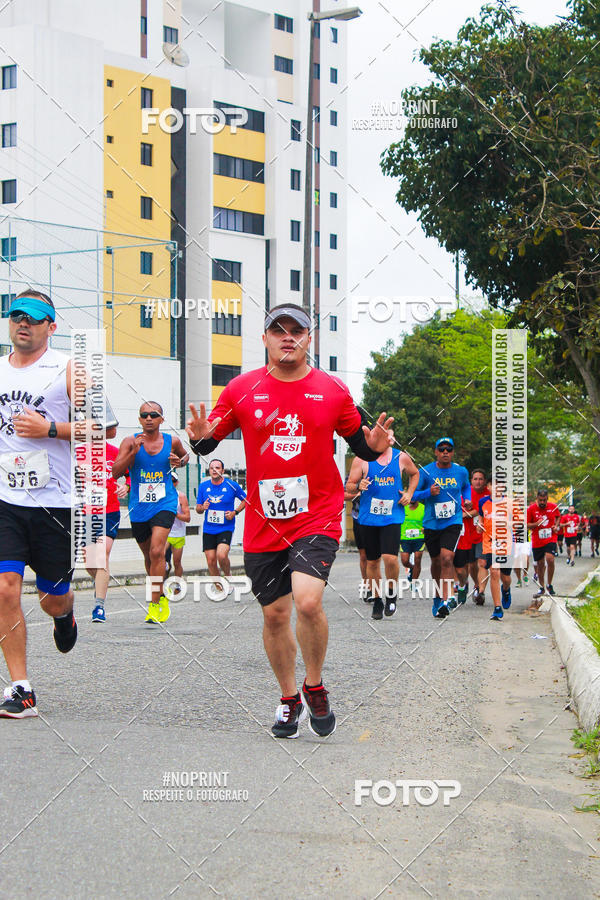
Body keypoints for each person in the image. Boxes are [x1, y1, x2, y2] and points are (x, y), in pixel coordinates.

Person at [186, 302, 394, 739]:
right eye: (277, 330)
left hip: (315, 515)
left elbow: (362, 441)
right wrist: (201, 437)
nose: (287, 337)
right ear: (264, 339)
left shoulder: (332, 390)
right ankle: (288, 698)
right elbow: (208, 445)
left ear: (308, 339)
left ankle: (314, 684)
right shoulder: (241, 388)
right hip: (264, 521)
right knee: (276, 616)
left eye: (296, 330)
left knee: (307, 601)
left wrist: (374, 446)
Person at [0, 291, 83, 717]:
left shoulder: (67, 368)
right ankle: (21, 688)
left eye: (33, 318)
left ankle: (63, 614)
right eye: (16, 316)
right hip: (6, 501)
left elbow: (101, 428)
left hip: (55, 504)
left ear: (52, 325)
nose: (22, 324)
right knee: (4, 587)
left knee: (53, 598)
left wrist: (50, 427)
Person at [112, 402, 188, 625]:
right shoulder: (130, 441)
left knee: (157, 551)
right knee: (148, 556)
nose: (148, 418)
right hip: (139, 505)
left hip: (165, 502)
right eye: (144, 415)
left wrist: (180, 462)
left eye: (153, 415)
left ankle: (154, 605)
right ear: (139, 419)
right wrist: (133, 453)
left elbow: (185, 458)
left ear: (161, 419)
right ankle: (161, 592)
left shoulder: (172, 441)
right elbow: (116, 471)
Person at [346, 447, 419, 619]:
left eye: (390, 436)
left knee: (390, 558)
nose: (388, 440)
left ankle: (391, 595)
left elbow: (415, 474)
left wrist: (409, 493)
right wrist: (358, 485)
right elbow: (349, 486)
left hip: (392, 516)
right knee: (372, 562)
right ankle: (377, 599)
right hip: (368, 517)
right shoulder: (361, 458)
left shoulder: (400, 457)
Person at [412, 437, 472, 617]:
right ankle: (438, 597)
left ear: (453, 452)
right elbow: (413, 494)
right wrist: (427, 493)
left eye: (449, 449)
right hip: (431, 522)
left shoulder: (460, 471)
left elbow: (466, 486)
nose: (445, 452)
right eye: (442, 449)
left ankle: (446, 599)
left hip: (452, 521)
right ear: (436, 452)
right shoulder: (425, 472)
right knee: (436, 561)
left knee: (447, 558)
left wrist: (467, 499)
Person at [76, 429, 130, 622]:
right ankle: (99, 581)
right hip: (88, 513)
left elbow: (129, 473)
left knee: (102, 553)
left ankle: (99, 607)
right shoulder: (79, 453)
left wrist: (127, 485)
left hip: (110, 510)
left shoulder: (115, 452)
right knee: (90, 561)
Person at [196, 459, 246, 595]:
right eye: (211, 468)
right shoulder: (203, 486)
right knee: (211, 560)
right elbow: (198, 509)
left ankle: (228, 575)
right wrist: (202, 507)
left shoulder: (232, 485)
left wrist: (235, 512)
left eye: (217, 467)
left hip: (225, 527)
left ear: (222, 471)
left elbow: (246, 500)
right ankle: (220, 586)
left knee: (221, 555)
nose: (214, 470)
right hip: (209, 528)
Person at [477, 483, 513, 621]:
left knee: (505, 577)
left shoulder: (509, 503)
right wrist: (479, 526)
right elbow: (481, 520)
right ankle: (497, 607)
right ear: (489, 486)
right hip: (490, 543)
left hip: (506, 543)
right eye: (494, 484)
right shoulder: (483, 502)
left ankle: (506, 589)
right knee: (494, 571)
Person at [526, 488, 560, 610]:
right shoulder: (531, 509)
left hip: (550, 538)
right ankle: (542, 586)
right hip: (537, 540)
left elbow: (558, 517)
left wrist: (556, 526)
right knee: (540, 564)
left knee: (550, 559)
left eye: (544, 500)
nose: (542, 502)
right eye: (540, 500)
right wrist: (536, 524)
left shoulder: (553, 507)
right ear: (537, 499)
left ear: (547, 499)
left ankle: (549, 584)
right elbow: (527, 525)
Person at [343, 474, 368, 601]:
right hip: (359, 518)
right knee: (364, 555)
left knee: (376, 556)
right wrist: (357, 495)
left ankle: (375, 587)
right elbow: (342, 494)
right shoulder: (353, 475)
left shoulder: (379, 468)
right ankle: (367, 586)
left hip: (377, 518)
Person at [165, 473, 190, 592]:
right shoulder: (161, 495)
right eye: (169, 481)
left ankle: (178, 583)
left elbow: (188, 518)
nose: (171, 483)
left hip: (178, 533)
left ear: (177, 483)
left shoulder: (181, 496)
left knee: (177, 561)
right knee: (160, 558)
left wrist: (176, 514)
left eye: (174, 481)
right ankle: (162, 582)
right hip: (165, 532)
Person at [399, 500, 425, 593]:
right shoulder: (402, 508)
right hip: (405, 537)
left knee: (418, 558)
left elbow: (428, 520)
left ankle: (413, 583)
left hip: (419, 537)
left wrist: (425, 527)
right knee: (405, 561)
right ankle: (412, 569)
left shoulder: (423, 508)